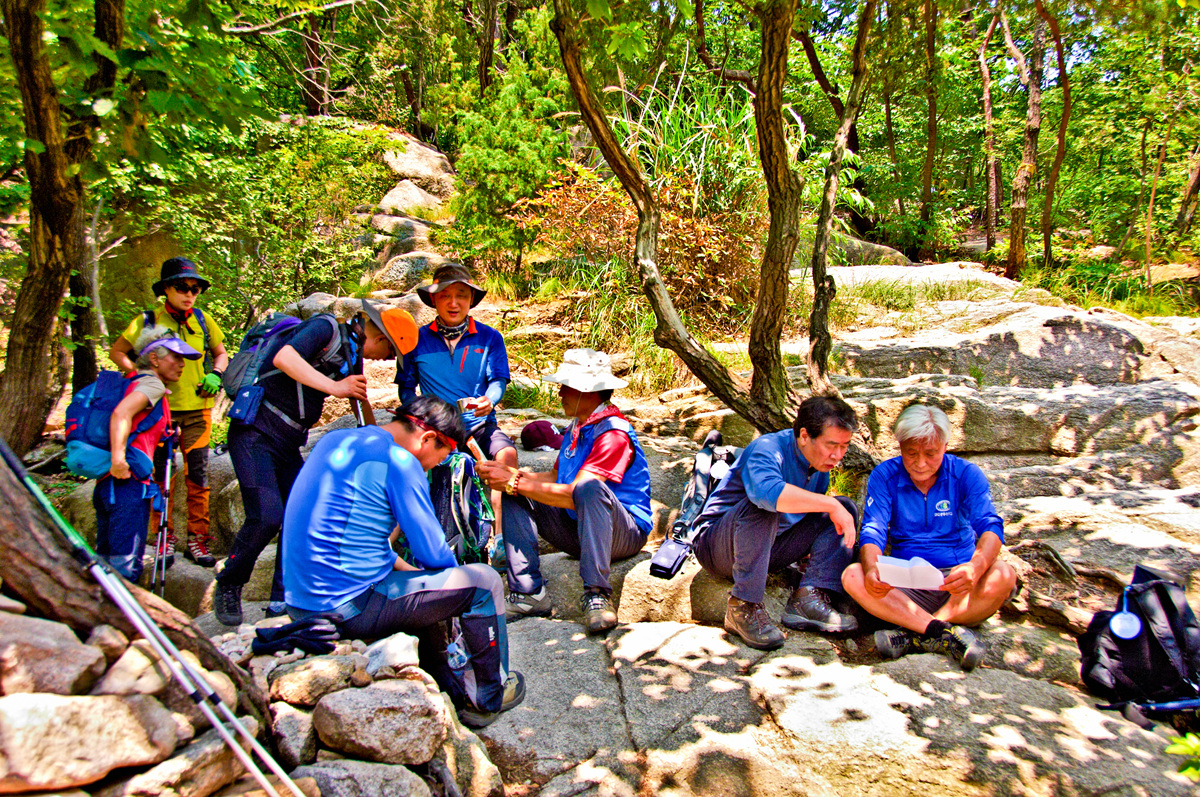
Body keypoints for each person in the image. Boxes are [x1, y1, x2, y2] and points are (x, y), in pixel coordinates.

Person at [281, 396, 525, 728]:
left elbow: (360, 541)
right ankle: (487, 697)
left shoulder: (336, 442)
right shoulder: (400, 461)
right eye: (439, 458)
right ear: (428, 438)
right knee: (485, 583)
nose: (432, 468)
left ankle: (447, 683)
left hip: (300, 603)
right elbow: (433, 553)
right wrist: (459, 585)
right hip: (347, 606)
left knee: (423, 585)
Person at [212, 300, 417, 626]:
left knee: (301, 516)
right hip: (255, 432)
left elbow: (359, 403)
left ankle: (283, 599)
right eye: (390, 353)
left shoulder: (351, 355)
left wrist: (384, 448)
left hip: (287, 442)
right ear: (380, 337)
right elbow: (284, 358)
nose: (387, 360)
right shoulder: (325, 327)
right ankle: (229, 582)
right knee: (266, 515)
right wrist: (335, 387)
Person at [477, 349, 652, 635]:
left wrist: (515, 481)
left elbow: (576, 493)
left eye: (565, 386)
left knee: (588, 488)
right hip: (580, 528)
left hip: (622, 534)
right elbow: (553, 477)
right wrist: (509, 476)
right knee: (512, 489)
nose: (559, 393)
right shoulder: (577, 427)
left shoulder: (613, 434)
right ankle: (528, 593)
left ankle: (597, 594)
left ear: (587, 391)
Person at [841, 404, 1017, 672]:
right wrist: (873, 568)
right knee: (853, 575)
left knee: (1004, 574)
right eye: (911, 453)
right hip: (906, 583)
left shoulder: (966, 474)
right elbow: (873, 529)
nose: (920, 463)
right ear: (900, 446)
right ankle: (942, 633)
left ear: (945, 447)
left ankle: (915, 633)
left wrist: (975, 567)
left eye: (931, 454)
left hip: (957, 582)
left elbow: (990, 525)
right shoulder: (885, 475)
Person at [691, 396, 860, 651]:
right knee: (767, 505)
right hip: (717, 546)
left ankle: (809, 597)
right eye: (831, 445)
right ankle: (743, 605)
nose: (837, 455)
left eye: (844, 446)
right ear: (805, 435)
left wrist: (828, 518)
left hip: (768, 546)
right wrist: (830, 505)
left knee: (844, 507)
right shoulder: (768, 448)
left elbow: (810, 511)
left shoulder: (819, 467)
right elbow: (766, 494)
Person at [109, 257, 228, 568]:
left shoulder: (202, 319)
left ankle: (198, 539)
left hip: (198, 411)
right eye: (181, 287)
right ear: (165, 289)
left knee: (198, 476)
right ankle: (164, 537)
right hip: (158, 412)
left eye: (195, 289)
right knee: (162, 476)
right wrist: (139, 375)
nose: (189, 294)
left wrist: (216, 373)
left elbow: (221, 353)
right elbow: (117, 351)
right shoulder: (147, 321)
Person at [96, 327, 201, 581]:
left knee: (106, 562)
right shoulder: (152, 384)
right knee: (125, 567)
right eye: (176, 358)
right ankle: (122, 605)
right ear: (154, 358)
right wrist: (118, 460)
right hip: (127, 483)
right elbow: (121, 414)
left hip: (108, 485)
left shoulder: (133, 381)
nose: (182, 365)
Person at [398, 263, 519, 472]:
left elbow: (498, 380)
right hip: (435, 429)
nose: (453, 303)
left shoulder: (490, 337)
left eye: (461, 295)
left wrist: (489, 400)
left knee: (507, 455)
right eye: (445, 295)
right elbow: (405, 389)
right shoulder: (414, 340)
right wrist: (422, 414)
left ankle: (501, 497)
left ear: (471, 299)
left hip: (479, 426)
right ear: (433, 299)